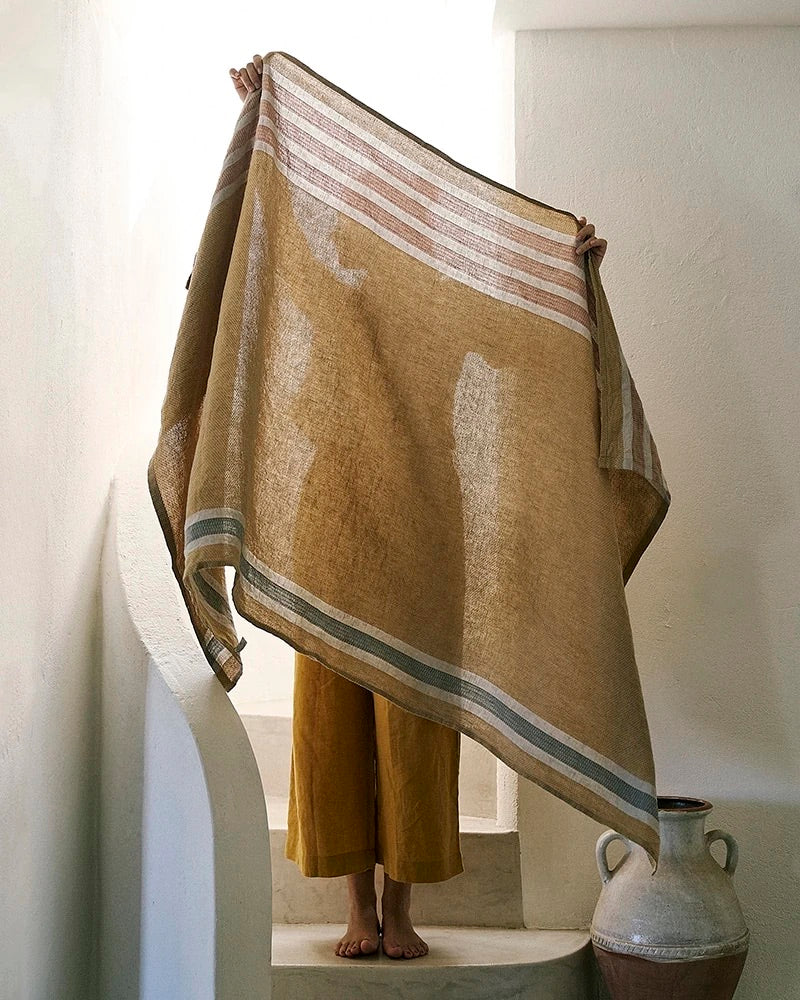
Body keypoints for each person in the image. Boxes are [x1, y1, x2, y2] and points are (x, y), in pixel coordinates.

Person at [229, 54, 607, 961]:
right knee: (331, 720)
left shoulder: (449, 303)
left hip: (427, 526)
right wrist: (258, 128)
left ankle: (403, 912)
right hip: (336, 522)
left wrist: (572, 268)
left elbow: (523, 345)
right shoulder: (320, 288)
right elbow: (270, 235)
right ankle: (358, 910)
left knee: (416, 722)